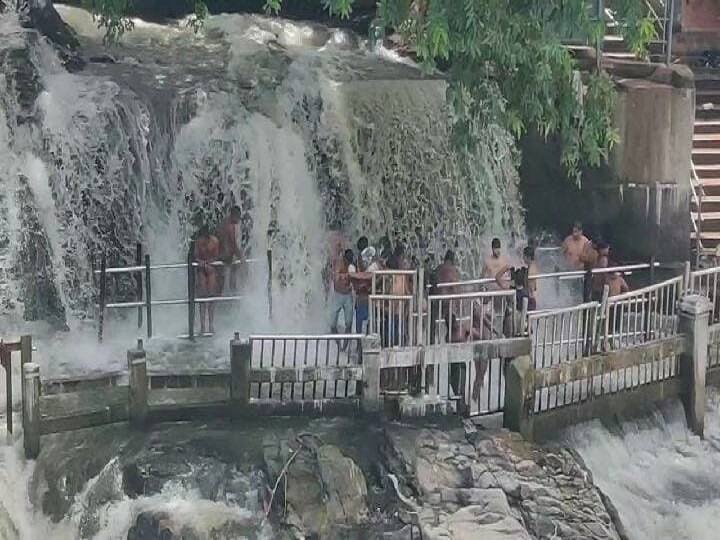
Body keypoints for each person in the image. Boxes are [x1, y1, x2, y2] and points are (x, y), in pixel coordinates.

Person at [194, 224, 220, 335]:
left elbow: (217, 256)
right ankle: (202, 325)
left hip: (211, 268)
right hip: (201, 268)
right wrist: (201, 263)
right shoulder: (198, 242)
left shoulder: (215, 241)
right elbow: (195, 256)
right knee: (202, 296)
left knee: (211, 296)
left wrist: (209, 263)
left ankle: (211, 324)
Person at [350, 246, 380, 334]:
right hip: (360, 300)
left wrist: (356, 276)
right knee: (359, 323)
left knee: (369, 323)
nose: (363, 261)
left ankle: (366, 341)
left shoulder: (375, 266)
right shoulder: (357, 266)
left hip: (369, 300)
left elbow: (368, 276)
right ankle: (359, 344)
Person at [329, 245, 354, 342]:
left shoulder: (352, 264)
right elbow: (335, 276)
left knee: (349, 323)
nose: (348, 262)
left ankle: (346, 345)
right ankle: (337, 342)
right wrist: (343, 276)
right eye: (347, 260)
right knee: (332, 323)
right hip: (338, 295)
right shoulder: (339, 263)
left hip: (348, 295)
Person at [216, 206, 244, 294]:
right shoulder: (231, 226)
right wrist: (242, 257)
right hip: (226, 255)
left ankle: (218, 297)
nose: (239, 220)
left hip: (218, 254)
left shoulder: (223, 223)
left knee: (221, 280)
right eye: (238, 217)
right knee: (238, 266)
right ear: (234, 215)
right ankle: (234, 291)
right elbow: (233, 245)